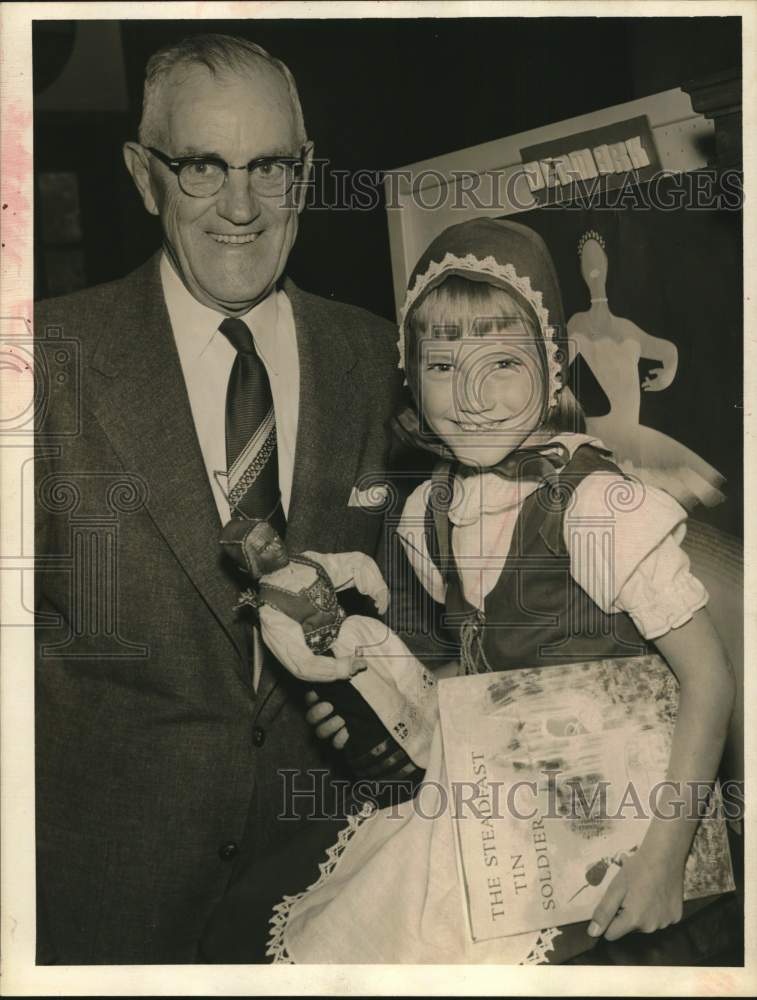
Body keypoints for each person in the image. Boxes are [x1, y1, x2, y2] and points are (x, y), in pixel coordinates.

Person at [205, 218, 734, 964]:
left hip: (620, 827)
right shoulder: (433, 513)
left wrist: (664, 857)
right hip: (497, 810)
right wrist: (384, 700)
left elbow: (707, 682)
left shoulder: (595, 510)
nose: (472, 396)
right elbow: (485, 675)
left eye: (502, 363)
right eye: (444, 365)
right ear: (410, 380)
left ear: (551, 371)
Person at [33, 33, 402, 964]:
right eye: (202, 166)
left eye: (270, 166)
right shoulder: (42, 360)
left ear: (305, 173)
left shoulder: (373, 354)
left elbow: (428, 594)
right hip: (101, 899)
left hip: (330, 889)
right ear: (143, 175)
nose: (241, 207)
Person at [566, 230, 725, 509]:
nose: (593, 269)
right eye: (587, 262)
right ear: (580, 270)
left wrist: (664, 377)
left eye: (598, 261)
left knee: (655, 497)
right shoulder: (577, 324)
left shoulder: (627, 328)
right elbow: (557, 367)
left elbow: (668, 352)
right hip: (602, 430)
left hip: (632, 432)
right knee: (614, 497)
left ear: (607, 266)